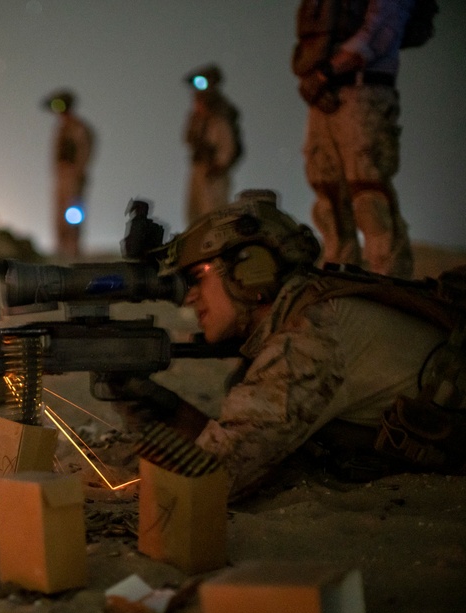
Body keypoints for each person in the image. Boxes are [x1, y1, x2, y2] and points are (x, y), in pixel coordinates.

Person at [120, 189, 463, 499]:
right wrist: (158, 406)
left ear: (249, 271)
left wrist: (154, 422)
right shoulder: (307, 313)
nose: (189, 298)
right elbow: (236, 442)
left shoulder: (310, 337)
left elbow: (214, 479)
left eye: (197, 278)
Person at [292, 0, 416, 278]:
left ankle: (391, 285)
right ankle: (341, 282)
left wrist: (326, 72)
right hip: (324, 96)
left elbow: (381, 32)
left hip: (363, 91)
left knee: (369, 197)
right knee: (329, 198)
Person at [182, 64, 243, 226]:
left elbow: (227, 146)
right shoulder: (197, 116)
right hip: (199, 168)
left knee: (214, 217)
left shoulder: (220, 114)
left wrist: (218, 165)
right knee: (194, 216)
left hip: (213, 172)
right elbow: (188, 139)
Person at [43, 89, 95, 260]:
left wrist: (78, 171)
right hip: (61, 176)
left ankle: (73, 250)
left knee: (73, 214)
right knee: (59, 215)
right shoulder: (62, 127)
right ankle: (61, 250)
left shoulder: (77, 127)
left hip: (72, 176)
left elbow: (84, 150)